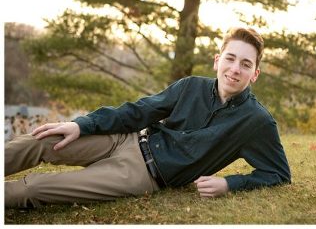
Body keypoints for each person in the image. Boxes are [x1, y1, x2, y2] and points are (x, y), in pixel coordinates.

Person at [6, 27, 291, 208]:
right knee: (41, 140)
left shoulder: (257, 121)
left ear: (255, 73)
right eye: (230, 58)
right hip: (125, 139)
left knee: (37, 188)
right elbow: (139, 111)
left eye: (245, 64)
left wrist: (230, 184)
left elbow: (278, 174)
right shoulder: (190, 86)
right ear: (217, 60)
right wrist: (80, 124)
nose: (235, 69)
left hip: (141, 175)